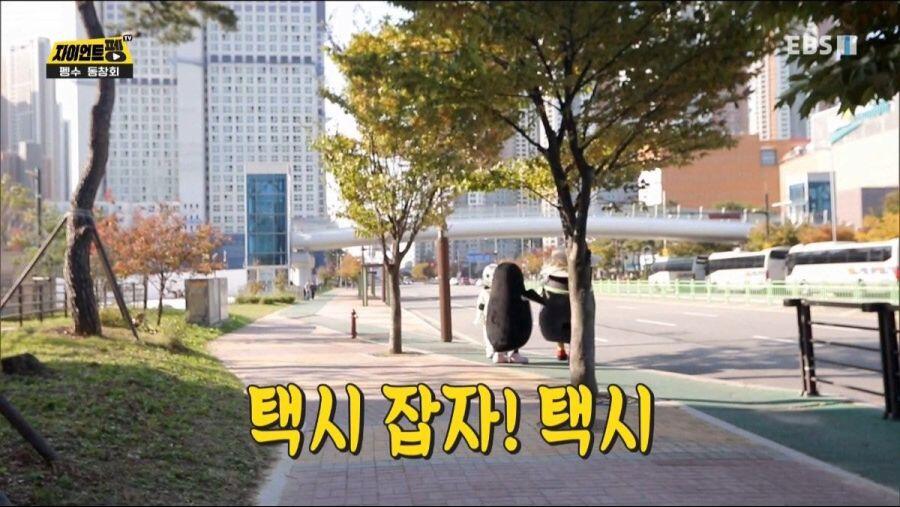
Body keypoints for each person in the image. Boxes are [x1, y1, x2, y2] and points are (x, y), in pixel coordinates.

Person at [476, 262, 542, 364]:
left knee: (492, 334)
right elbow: (531, 296)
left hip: (491, 320)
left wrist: (479, 316)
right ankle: (511, 354)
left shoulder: (489, 293)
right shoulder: (515, 291)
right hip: (511, 323)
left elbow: (480, 306)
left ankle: (499, 353)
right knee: (512, 332)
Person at [538, 250, 571, 361]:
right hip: (572, 311)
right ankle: (573, 349)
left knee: (557, 318)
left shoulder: (548, 275)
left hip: (553, 313)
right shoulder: (575, 274)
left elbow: (540, 292)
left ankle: (560, 349)